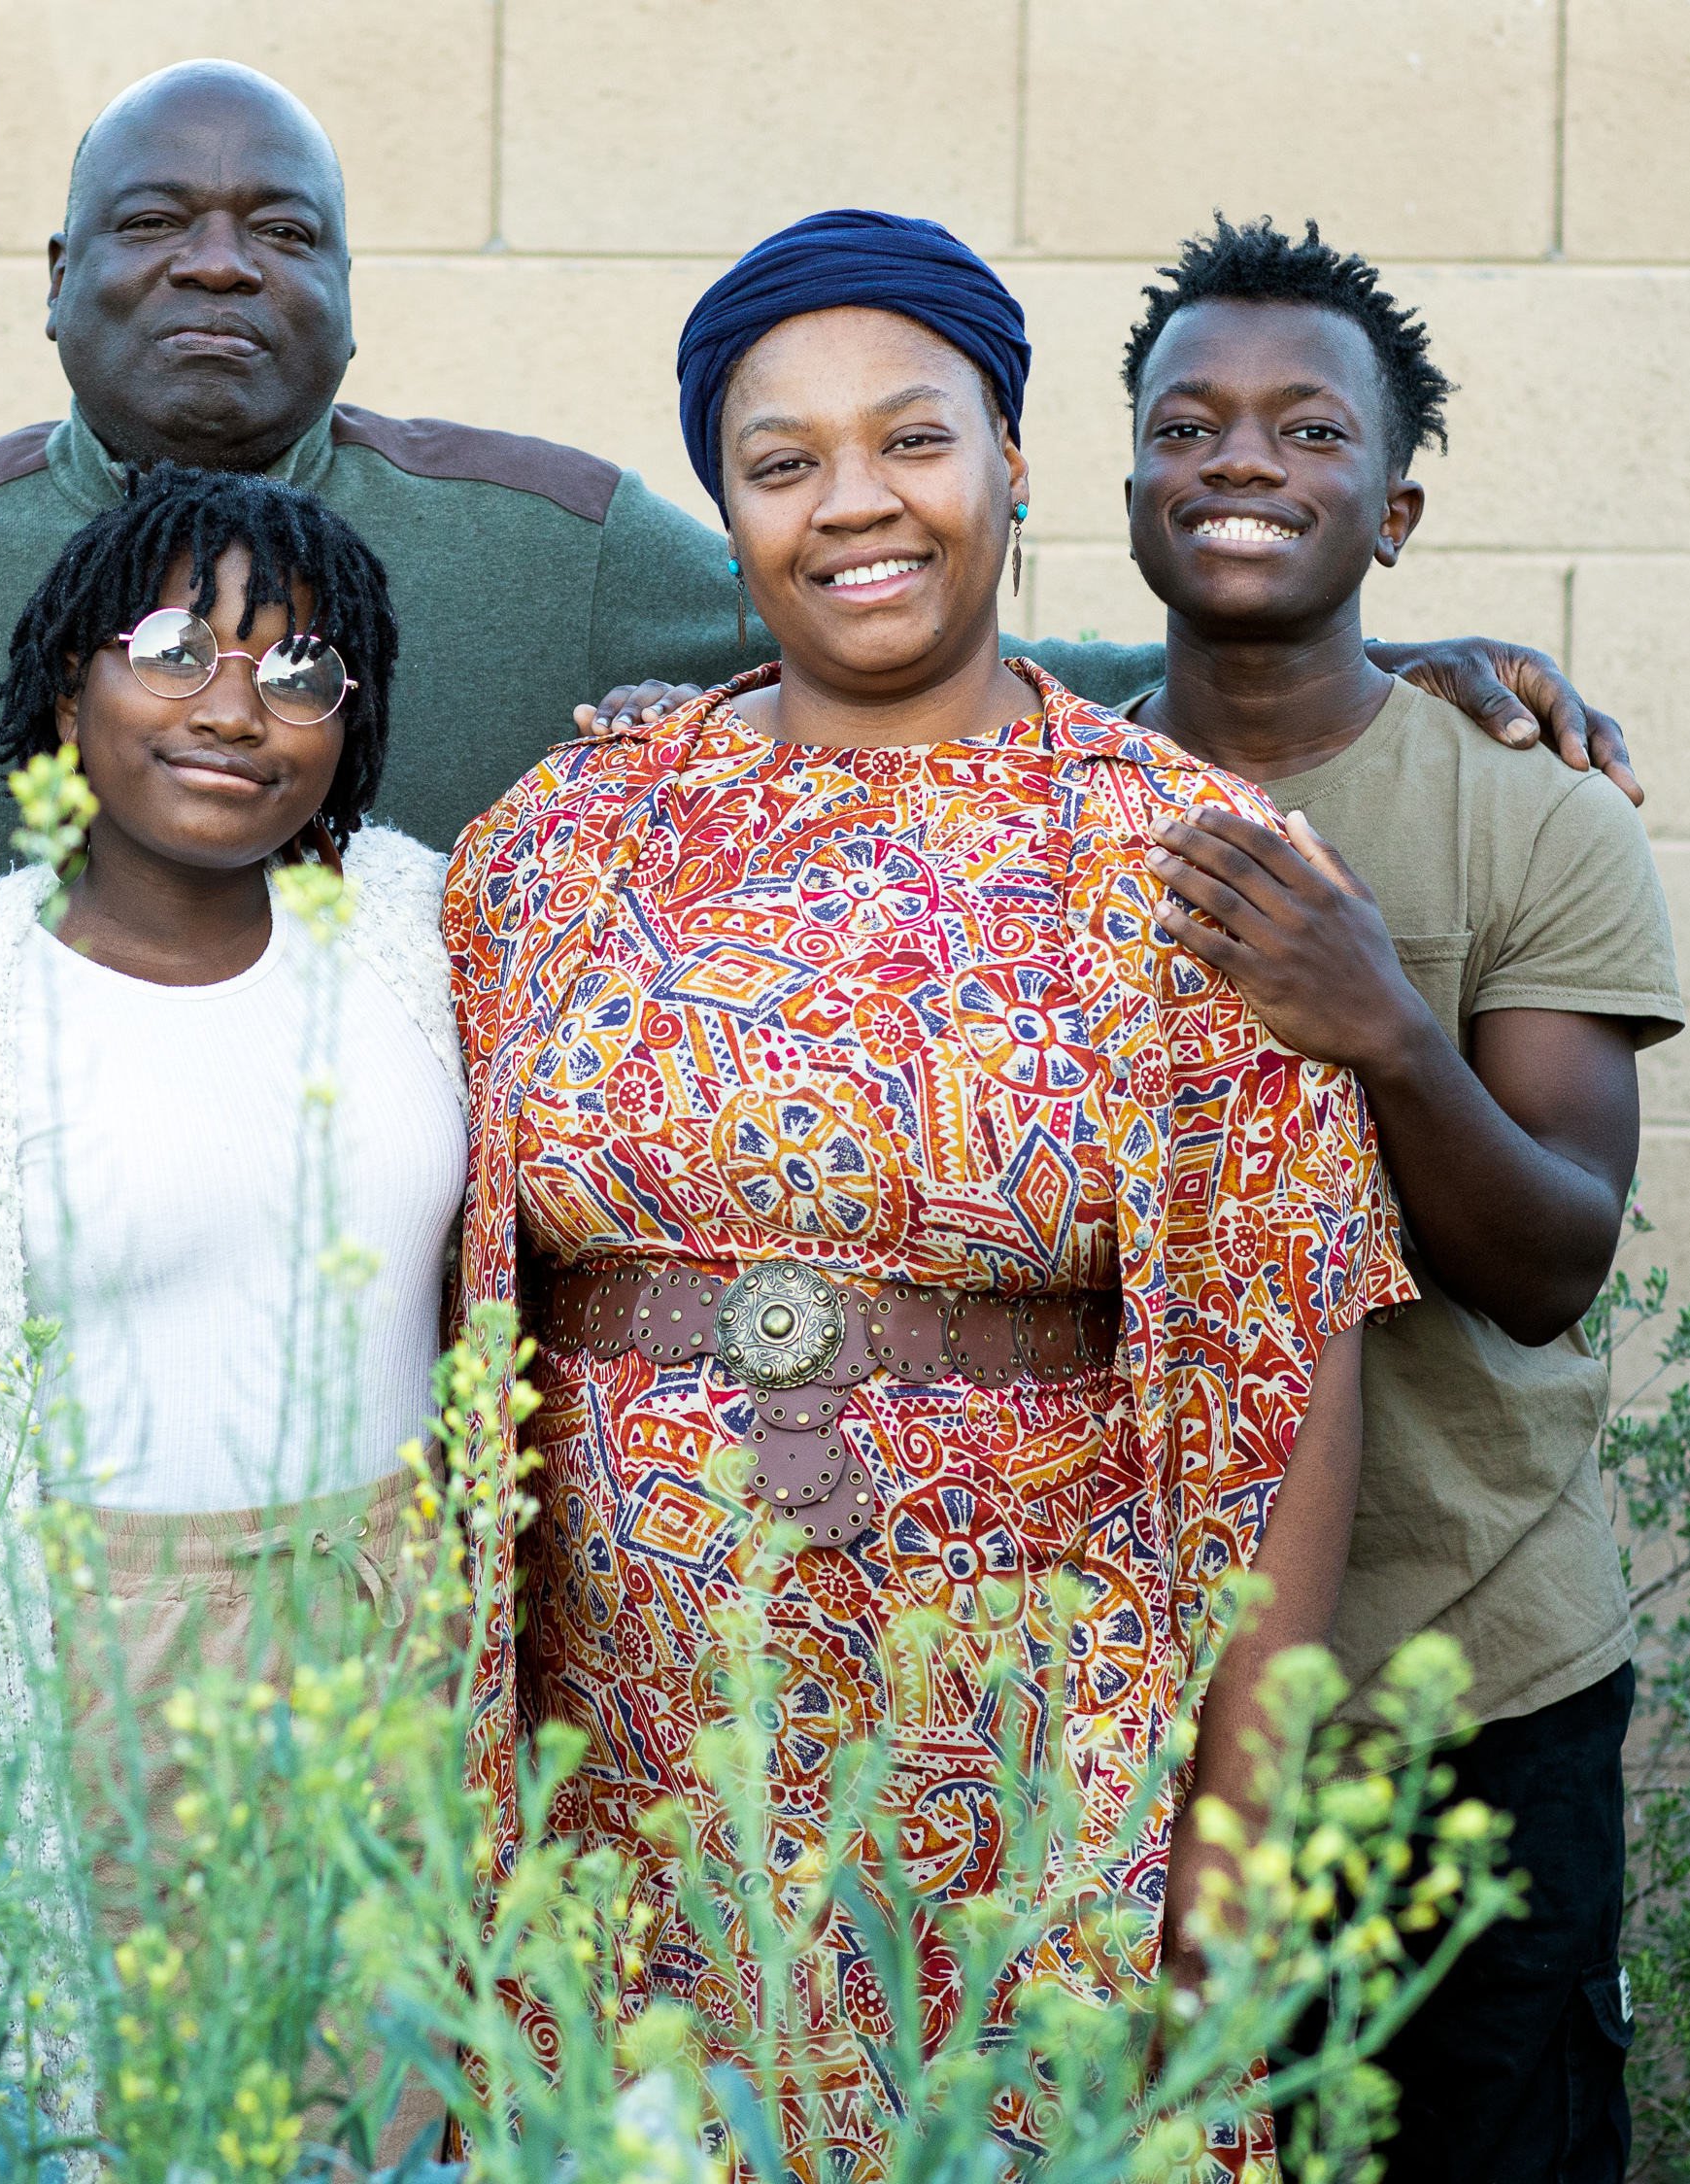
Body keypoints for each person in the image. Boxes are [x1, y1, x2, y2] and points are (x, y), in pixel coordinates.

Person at [0, 61, 1631, 939]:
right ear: (56, 285)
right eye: (158, 227)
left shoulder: (541, 544)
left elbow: (896, 649)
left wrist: (1305, 674)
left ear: (353, 290)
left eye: (283, 233)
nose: (219, 265)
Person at [445, 209, 1416, 2177]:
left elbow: (1280, 1392)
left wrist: (1217, 1918)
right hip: (627, 1779)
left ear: (1012, 465)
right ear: (720, 511)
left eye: (911, 438)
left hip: (1030, 1790)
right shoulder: (556, 846)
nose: (851, 504)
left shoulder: (1191, 863)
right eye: (779, 460)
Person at [0, 464, 461, 2160]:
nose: (237, 707)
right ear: (64, 680)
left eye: (301, 669)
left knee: (386, 2125)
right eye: (172, 647)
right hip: (92, 1661)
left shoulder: (413, 927)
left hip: (403, 1636)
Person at [1120, 219, 1678, 2183]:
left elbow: (1545, 1264)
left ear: (1393, 499)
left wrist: (1380, 1027)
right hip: (1124, 1699)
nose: (1239, 463)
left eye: (1303, 429)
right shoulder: (1041, 805)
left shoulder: (1529, 803)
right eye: (1184, 425)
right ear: (1118, 490)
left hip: (1469, 1676)